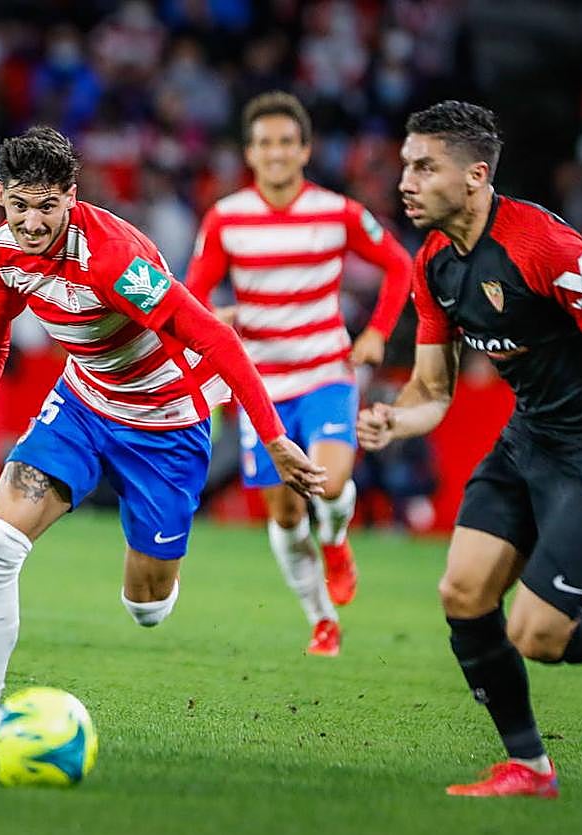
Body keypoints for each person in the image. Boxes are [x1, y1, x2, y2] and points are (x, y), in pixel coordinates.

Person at [357, 101, 582, 797]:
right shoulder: (433, 265)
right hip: (529, 439)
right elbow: (433, 388)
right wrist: (395, 422)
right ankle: (530, 767)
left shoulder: (543, 247)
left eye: (424, 166)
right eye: (404, 164)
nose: (405, 180)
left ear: (475, 177)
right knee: (462, 592)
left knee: (540, 636)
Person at [0, 126, 324, 739]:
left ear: (71, 196)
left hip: (166, 425)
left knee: (147, 607)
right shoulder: (4, 252)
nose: (32, 222)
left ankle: (155, 554)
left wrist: (271, 436)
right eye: (20, 205)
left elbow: (215, 337)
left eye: (47, 206)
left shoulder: (113, 259)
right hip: (83, 403)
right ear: (2, 197)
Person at [185, 92, 412, 656]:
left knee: (329, 483)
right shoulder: (226, 219)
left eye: (287, 141)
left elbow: (398, 264)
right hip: (259, 385)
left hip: (326, 373)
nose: (276, 153)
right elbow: (191, 297)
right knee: (285, 513)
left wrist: (379, 331)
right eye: (265, 143)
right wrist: (218, 317)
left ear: (305, 149)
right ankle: (321, 619)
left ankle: (335, 541)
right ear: (250, 153)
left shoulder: (337, 212)